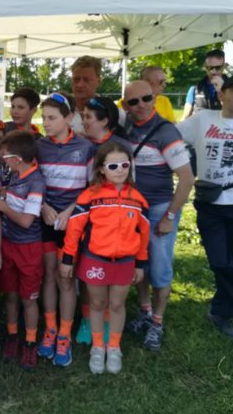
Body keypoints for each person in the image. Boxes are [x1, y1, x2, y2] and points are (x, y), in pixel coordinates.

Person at [177, 75, 233, 338]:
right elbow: (171, 135)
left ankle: (220, 312)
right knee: (219, 261)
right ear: (222, 94)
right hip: (211, 203)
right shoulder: (203, 120)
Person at [62, 141, 150, 374]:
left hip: (125, 262)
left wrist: (141, 263)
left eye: (124, 165)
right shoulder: (89, 196)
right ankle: (98, 347)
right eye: (113, 166)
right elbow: (74, 230)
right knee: (98, 304)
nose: (120, 170)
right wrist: (68, 258)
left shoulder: (138, 199)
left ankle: (114, 347)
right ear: (101, 169)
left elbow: (143, 234)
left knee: (117, 304)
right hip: (96, 260)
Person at [123, 80, 194, 351]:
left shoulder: (166, 132)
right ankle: (145, 311)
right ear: (126, 106)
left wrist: (170, 216)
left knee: (160, 269)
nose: (141, 105)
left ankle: (157, 322)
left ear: (154, 98)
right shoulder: (127, 126)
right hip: (133, 211)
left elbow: (186, 179)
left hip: (158, 210)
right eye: (134, 101)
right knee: (139, 264)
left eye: (146, 98)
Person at [36, 92, 94, 367]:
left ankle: (64, 334)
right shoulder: (39, 146)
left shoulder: (86, 147)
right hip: (46, 220)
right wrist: (42, 206)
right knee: (48, 275)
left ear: (69, 118)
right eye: (43, 117)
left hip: (72, 222)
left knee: (66, 277)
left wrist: (72, 210)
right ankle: (50, 328)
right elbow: (31, 181)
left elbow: (92, 187)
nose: (46, 123)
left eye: (52, 118)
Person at [74, 96, 131, 345]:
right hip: (86, 217)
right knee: (88, 273)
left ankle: (108, 321)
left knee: (110, 273)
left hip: (113, 221)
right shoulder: (85, 143)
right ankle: (88, 320)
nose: (84, 121)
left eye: (88, 117)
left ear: (105, 121)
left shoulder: (119, 146)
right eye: (83, 116)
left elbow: (130, 183)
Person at [0, 131, 45, 369]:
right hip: (8, 245)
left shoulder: (36, 182)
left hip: (28, 248)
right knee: (11, 295)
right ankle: (13, 335)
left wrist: (3, 207)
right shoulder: (14, 175)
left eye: (5, 156)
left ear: (17, 158)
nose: (2, 159)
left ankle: (30, 341)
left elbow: (26, 221)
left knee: (28, 299)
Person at [183, 49, 228, 119]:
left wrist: (222, 91)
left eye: (218, 68)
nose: (213, 71)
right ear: (205, 67)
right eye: (209, 68)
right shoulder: (195, 88)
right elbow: (186, 117)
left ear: (224, 66)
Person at [70, 56, 102, 135]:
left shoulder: (112, 113)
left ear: (98, 82)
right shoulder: (60, 112)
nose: (80, 85)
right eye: (76, 79)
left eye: (86, 80)